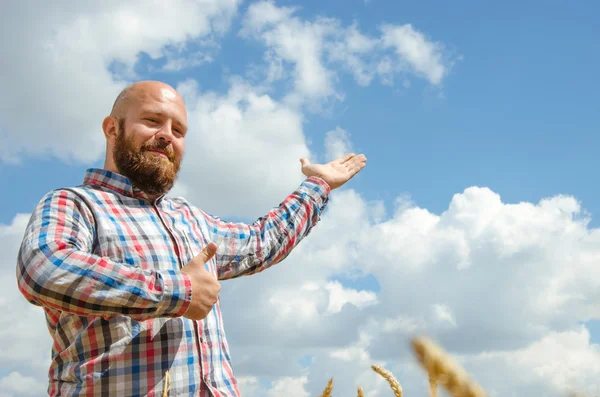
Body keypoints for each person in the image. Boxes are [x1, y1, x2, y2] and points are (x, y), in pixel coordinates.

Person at [16, 80, 367, 397]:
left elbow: (262, 241)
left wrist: (317, 185)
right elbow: (44, 268)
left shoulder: (191, 220)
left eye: (179, 130)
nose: (167, 135)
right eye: (153, 121)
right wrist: (178, 292)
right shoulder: (76, 203)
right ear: (112, 128)